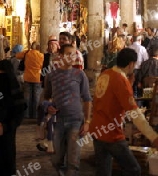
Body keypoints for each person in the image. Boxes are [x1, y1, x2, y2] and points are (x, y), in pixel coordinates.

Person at [89, 48, 158, 176]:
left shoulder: (106, 74)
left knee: (103, 171)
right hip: (111, 133)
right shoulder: (121, 80)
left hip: (97, 129)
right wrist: (152, 136)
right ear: (131, 64)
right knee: (133, 169)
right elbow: (134, 113)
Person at [44, 43, 92, 175]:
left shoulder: (80, 75)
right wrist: (48, 107)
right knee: (56, 159)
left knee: (73, 160)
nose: (72, 57)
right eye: (68, 54)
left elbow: (87, 99)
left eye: (74, 54)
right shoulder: (52, 75)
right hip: (57, 121)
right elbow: (45, 98)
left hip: (75, 120)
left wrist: (87, 121)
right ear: (60, 55)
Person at [36, 35, 60, 152]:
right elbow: (43, 69)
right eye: (49, 45)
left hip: (55, 90)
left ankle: (49, 141)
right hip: (47, 87)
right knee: (44, 111)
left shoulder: (60, 58)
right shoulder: (45, 56)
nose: (51, 47)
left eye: (53, 44)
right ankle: (46, 139)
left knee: (51, 116)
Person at [16, 41, 44, 119]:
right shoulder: (41, 55)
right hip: (37, 78)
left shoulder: (27, 53)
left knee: (27, 98)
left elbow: (17, 55)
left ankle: (26, 115)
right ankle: (35, 115)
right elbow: (42, 66)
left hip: (27, 77)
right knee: (36, 98)